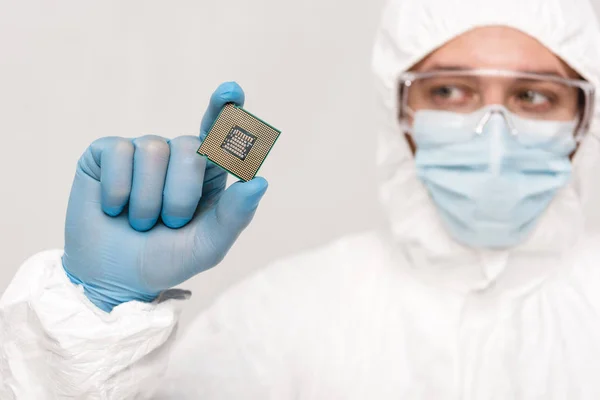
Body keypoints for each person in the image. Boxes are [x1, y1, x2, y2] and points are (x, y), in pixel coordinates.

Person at [3, 0, 600, 397]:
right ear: (398, 113)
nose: (491, 130)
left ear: (584, 118)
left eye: (534, 96)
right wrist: (93, 324)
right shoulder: (280, 317)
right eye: (448, 89)